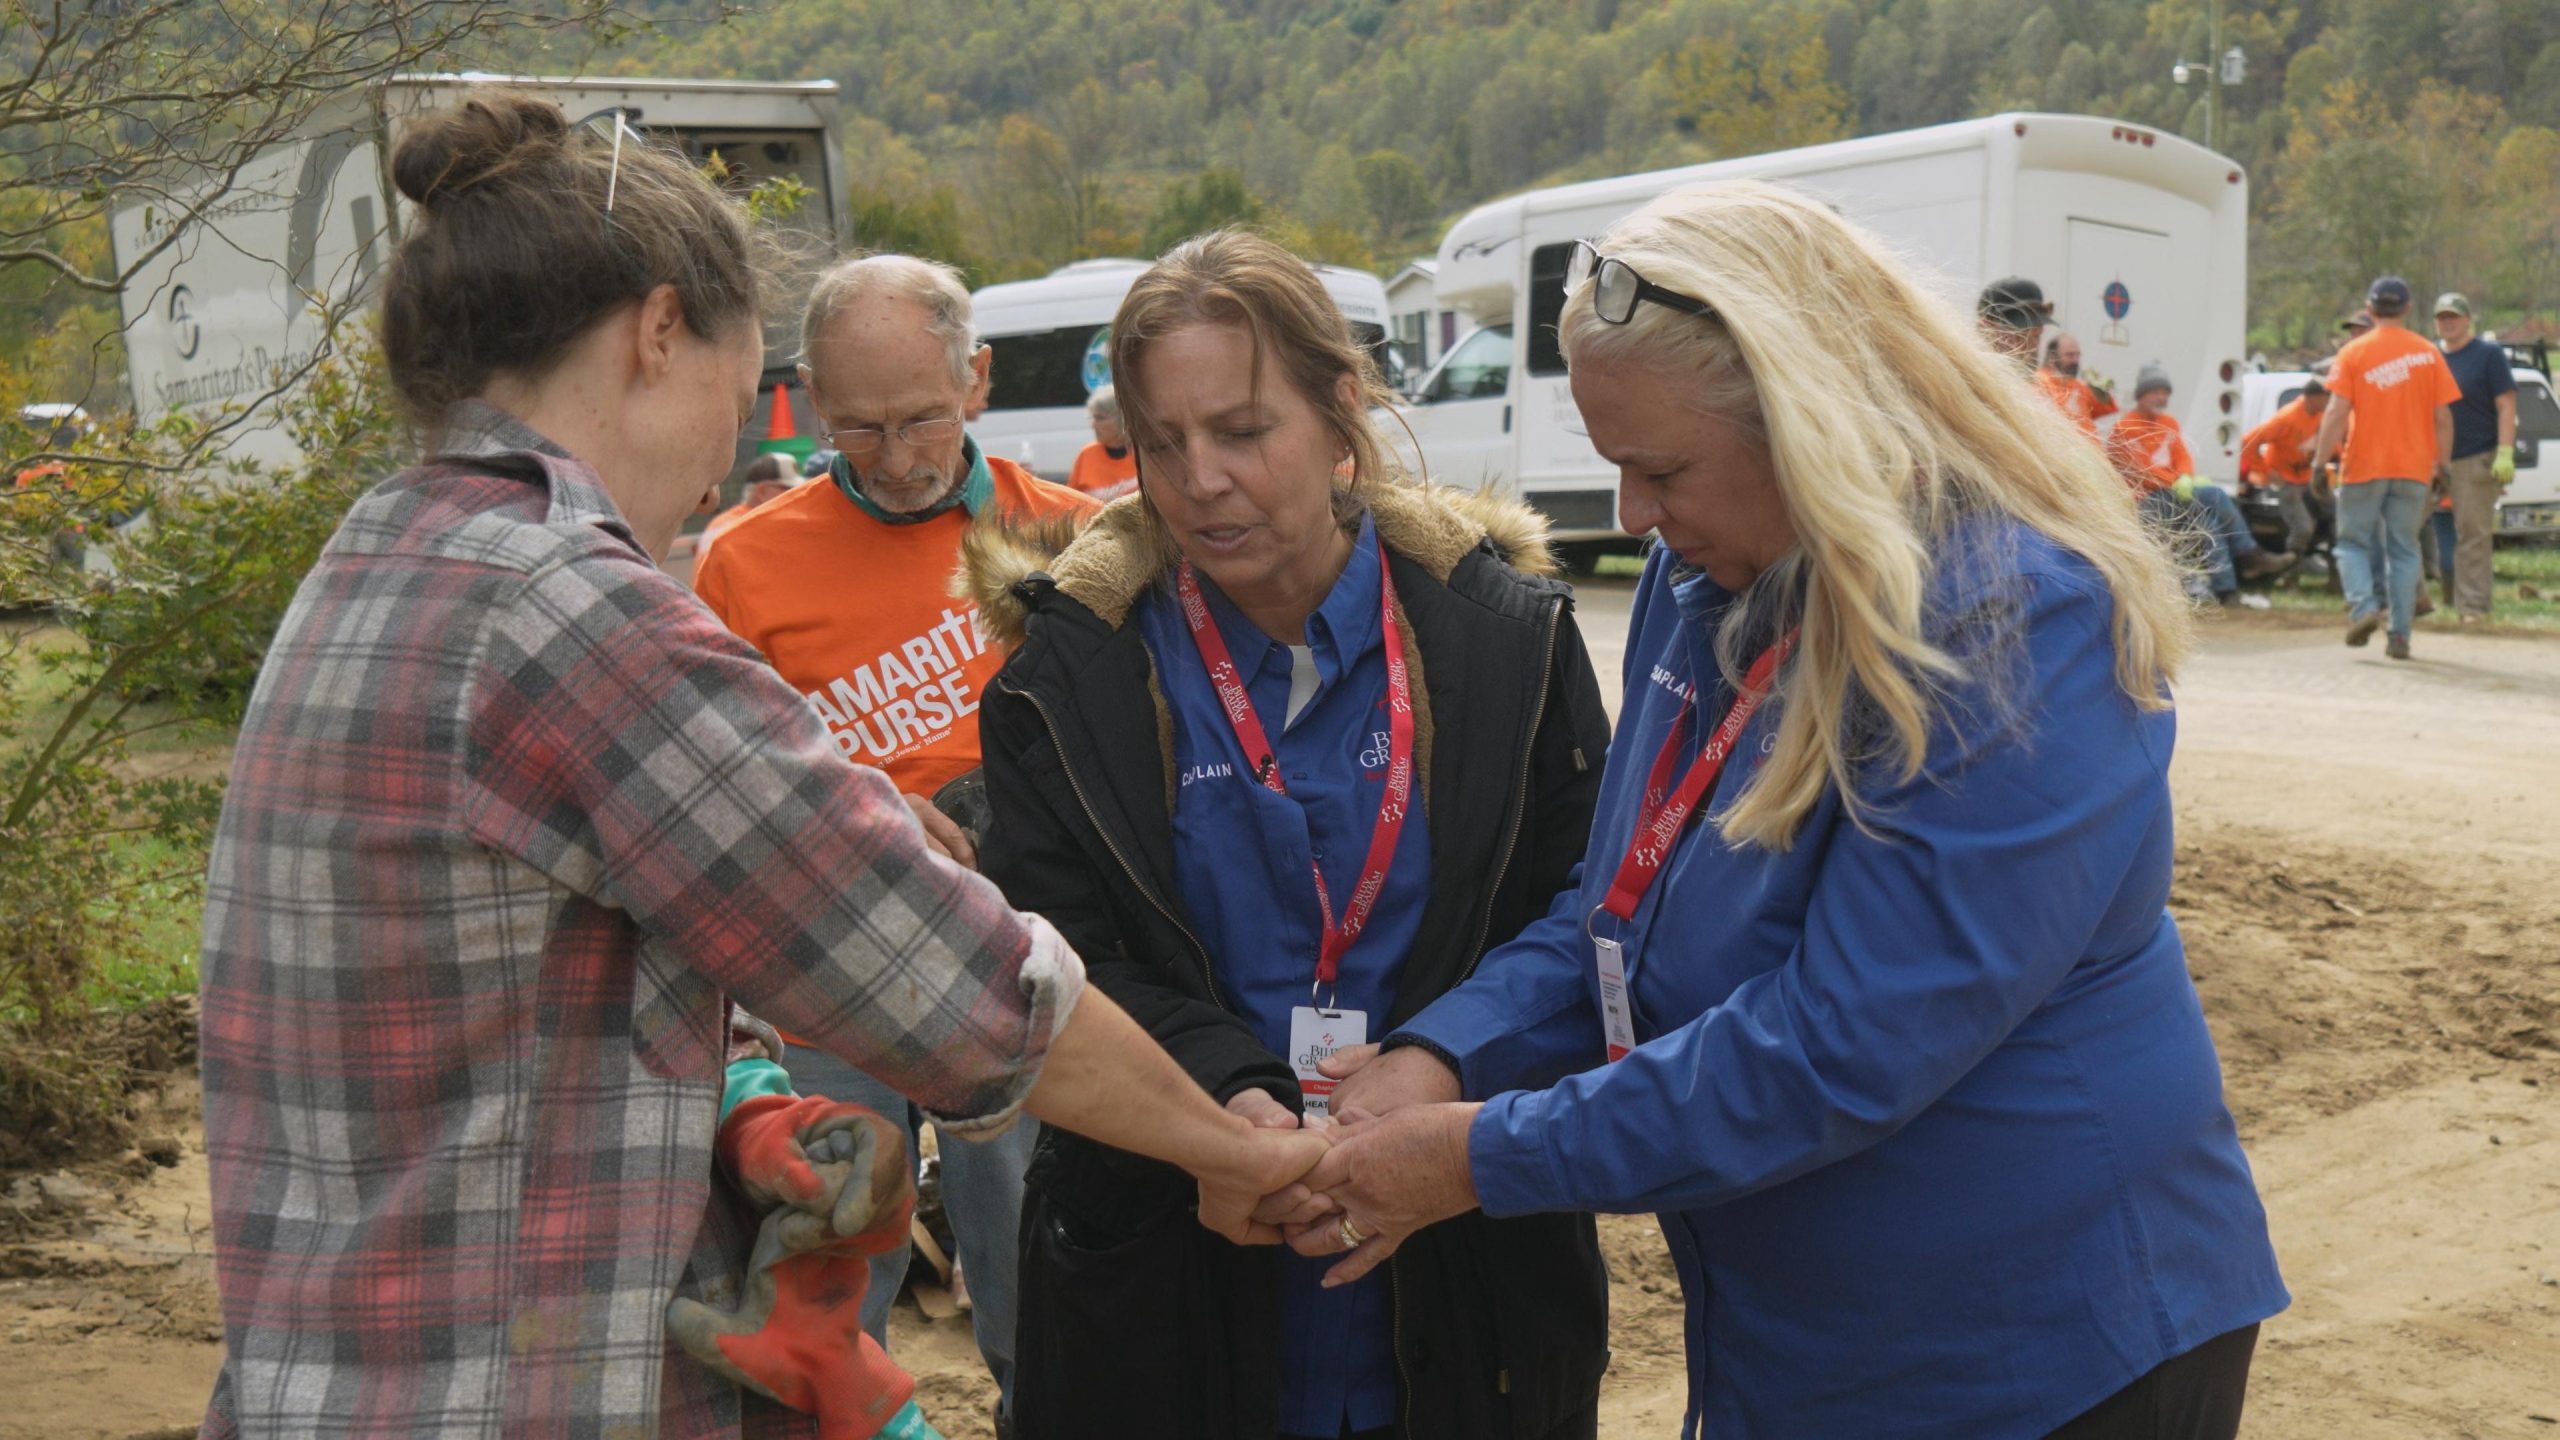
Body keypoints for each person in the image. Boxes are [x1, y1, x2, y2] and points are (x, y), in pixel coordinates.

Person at [194, 94, 1324, 1440]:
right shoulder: (565, 609)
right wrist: (1226, 1143)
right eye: (745, 408)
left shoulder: (374, 563)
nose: (723, 462)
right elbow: (950, 984)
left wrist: (730, 1112)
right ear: (658, 331)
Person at [1295, 181, 2288, 1440]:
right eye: (1614, 470)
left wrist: (1476, 1154)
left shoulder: (2014, 619)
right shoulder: (1709, 571)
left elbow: (1844, 1043)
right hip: (1808, 1331)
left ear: (1810, 419)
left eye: (1660, 470)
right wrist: (1445, 1054)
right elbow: (1621, 909)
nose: (1631, 521)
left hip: (2041, 1346)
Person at [972, 229, 1614, 1440]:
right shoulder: (1069, 675)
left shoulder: (1502, 639)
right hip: (1165, 1281)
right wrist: (1227, 1104)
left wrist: (1442, 1061)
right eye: (1160, 442)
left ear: (1341, 417)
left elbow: (1587, 908)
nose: (1197, 478)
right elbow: (1050, 953)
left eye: (1241, 430)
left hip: (1464, 1279)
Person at [693, 253, 1100, 1437]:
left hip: (1016, 971)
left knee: (1037, 1274)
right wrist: (853, 798)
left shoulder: (1066, 536)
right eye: (859, 426)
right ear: (814, 403)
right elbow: (718, 785)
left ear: (974, 380)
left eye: (922, 416)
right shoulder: (743, 561)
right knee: (830, 1295)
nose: (900, 453)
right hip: (829, 985)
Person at [2311, 275, 2463, 658]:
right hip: (2413, 468)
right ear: (2408, 309)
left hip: (2364, 465)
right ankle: (2400, 635)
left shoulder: (2354, 353)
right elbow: (2443, 418)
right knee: (2404, 549)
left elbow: (2335, 411)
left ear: (2371, 308)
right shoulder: (2429, 353)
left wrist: (2318, 461)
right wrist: (2442, 466)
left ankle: (2363, 609)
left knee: (2351, 544)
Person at [2110, 362, 2295, 603]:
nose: (2162, 397)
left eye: (2165, 392)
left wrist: (2186, 476)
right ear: (2141, 395)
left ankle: (2226, 589)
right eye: (2156, 392)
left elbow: (2182, 456)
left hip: (2172, 494)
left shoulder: (2169, 423)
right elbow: (2142, 470)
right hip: (2144, 500)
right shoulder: (2126, 428)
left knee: (2207, 522)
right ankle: (2250, 553)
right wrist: (2177, 481)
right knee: (2215, 495)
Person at [2432, 292, 2517, 621]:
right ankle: (2410, 603)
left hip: (2475, 456)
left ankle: (2473, 608)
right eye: (2442, 317)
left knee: (2473, 535)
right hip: (2433, 457)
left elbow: (2506, 403)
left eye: (2454, 316)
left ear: (2468, 320)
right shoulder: (2430, 355)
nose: (2448, 323)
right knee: (2405, 528)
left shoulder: (2487, 354)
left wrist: (2505, 450)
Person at [2236, 378, 2330, 556]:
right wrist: (2266, 471)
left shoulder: (2321, 415)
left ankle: (2328, 569)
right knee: (2303, 527)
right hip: (2286, 481)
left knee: (2334, 515)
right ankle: (2290, 567)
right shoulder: (2286, 418)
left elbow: (2332, 442)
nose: (2329, 401)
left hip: (2308, 478)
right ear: (2312, 398)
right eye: (2326, 397)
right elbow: (2247, 442)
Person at [2038, 332, 2119, 439]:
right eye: (2070, 355)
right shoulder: (2040, 382)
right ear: (2053, 357)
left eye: (2078, 355)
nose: (2076, 360)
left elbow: (2106, 408)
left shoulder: (2079, 386)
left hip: (2090, 452)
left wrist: (2100, 388)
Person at [1066, 384, 1140, 499]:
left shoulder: (1142, 455)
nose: (1093, 425)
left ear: (1121, 419)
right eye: (1093, 418)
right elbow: (1069, 500)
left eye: (1100, 418)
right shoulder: (1087, 455)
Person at [1978, 275, 2051, 365]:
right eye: (2022, 336)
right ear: (1986, 327)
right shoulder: (1966, 373)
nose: (2034, 346)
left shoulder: (2038, 376)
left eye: (2036, 336)